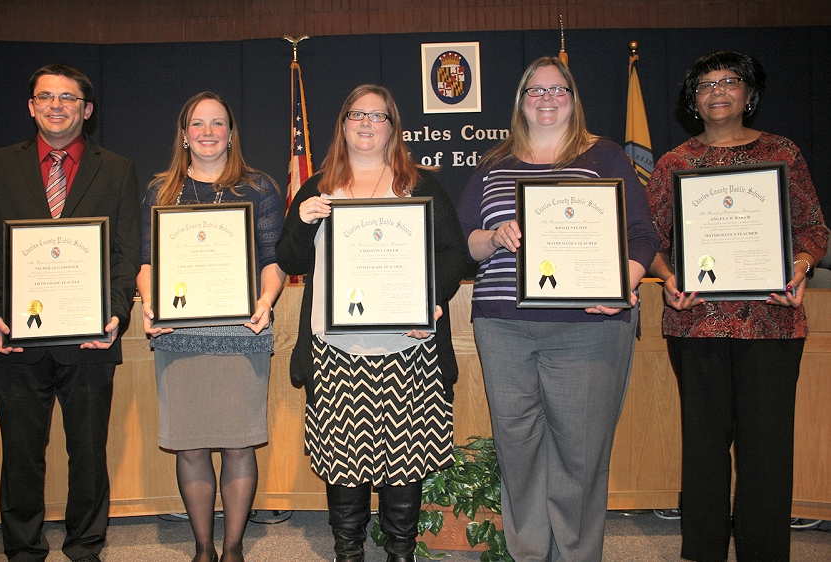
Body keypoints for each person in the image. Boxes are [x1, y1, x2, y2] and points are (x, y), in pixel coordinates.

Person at [456, 56, 659, 561]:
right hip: (503, 326)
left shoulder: (606, 158)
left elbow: (642, 237)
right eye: (535, 90)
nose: (547, 99)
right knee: (518, 453)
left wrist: (621, 286)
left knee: (580, 456)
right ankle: (528, 554)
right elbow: (461, 243)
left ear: (573, 98)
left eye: (558, 90)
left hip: (587, 327)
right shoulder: (493, 166)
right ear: (521, 100)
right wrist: (493, 237)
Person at [645, 51, 828, 562]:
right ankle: (702, 551)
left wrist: (802, 267)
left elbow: (813, 227)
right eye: (705, 84)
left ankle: (763, 552)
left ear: (749, 92)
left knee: (766, 451)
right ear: (693, 99)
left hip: (771, 322)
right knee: (703, 450)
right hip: (696, 322)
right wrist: (667, 276)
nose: (717, 91)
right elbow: (648, 239)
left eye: (730, 82)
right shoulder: (674, 164)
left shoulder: (782, 153)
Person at [276, 84, 467, 562]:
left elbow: (454, 255)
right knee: (344, 464)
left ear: (392, 127)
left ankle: (401, 552)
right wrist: (302, 219)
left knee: (406, 462)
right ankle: (348, 552)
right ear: (342, 125)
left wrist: (432, 301)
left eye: (377, 116)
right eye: (356, 114)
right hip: (336, 352)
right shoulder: (317, 188)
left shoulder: (420, 187)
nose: (366, 123)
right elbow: (289, 257)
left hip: (408, 349)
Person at [0, 63, 140, 562]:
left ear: (87, 109)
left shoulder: (118, 168)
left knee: (87, 455)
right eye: (46, 97)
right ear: (31, 107)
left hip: (90, 338)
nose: (56, 106)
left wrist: (114, 314)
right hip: (15, 338)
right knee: (21, 456)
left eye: (68, 98)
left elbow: (126, 252)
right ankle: (22, 549)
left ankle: (86, 545)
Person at [136, 92, 286, 562]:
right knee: (190, 446)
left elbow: (273, 260)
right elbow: (147, 262)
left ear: (230, 133)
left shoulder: (258, 188)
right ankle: (203, 548)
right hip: (180, 337)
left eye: (217, 123)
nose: (207, 132)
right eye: (197, 124)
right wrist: (150, 302)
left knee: (240, 443)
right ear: (184, 134)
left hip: (243, 333)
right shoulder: (161, 190)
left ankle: (234, 547)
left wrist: (265, 300)